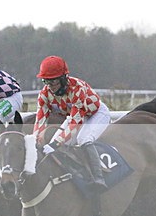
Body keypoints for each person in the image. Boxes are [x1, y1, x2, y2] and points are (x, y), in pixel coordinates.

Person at [33, 56, 110, 191]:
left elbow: (76, 121)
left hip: (96, 114)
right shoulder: (44, 94)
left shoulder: (77, 88)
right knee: (55, 145)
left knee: (83, 139)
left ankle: (99, 178)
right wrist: (34, 139)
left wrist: (56, 143)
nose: (49, 86)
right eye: (46, 81)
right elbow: (40, 119)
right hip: (76, 116)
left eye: (53, 81)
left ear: (63, 78)